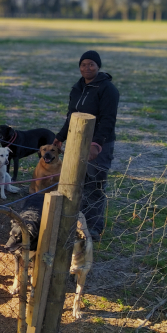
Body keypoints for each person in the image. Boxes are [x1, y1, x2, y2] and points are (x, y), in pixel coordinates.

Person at [53, 50, 119, 240]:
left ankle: (93, 228)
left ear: (98, 66)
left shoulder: (108, 89)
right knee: (74, 181)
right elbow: (71, 116)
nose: (87, 68)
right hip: (76, 141)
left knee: (94, 185)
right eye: (83, 64)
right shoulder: (77, 88)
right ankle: (74, 221)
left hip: (99, 144)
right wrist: (60, 137)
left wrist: (97, 144)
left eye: (91, 64)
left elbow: (108, 119)